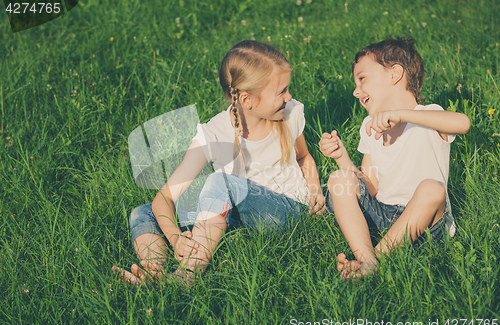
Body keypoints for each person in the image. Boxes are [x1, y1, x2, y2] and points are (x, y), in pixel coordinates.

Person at [113, 40, 325, 286]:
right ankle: (154, 271)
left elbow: (303, 156)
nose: (288, 96)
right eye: (281, 91)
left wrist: (314, 188)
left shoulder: (290, 113)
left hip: (286, 212)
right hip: (239, 218)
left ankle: (187, 276)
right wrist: (175, 238)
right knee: (145, 212)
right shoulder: (213, 134)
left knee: (220, 181)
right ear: (247, 100)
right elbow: (165, 197)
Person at [319, 37, 470, 277]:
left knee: (432, 188)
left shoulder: (429, 115)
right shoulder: (370, 126)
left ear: (395, 74)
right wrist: (341, 157)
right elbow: (371, 186)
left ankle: (373, 259)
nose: (356, 91)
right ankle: (368, 259)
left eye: (362, 79)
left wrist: (402, 115)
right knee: (338, 178)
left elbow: (463, 123)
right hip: (383, 217)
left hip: (428, 226)